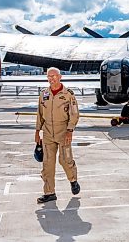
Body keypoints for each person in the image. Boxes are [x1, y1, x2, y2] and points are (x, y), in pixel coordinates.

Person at [35, 67, 80, 203]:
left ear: (60, 77)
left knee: (65, 159)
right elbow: (40, 114)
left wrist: (70, 130)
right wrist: (37, 131)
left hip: (63, 131)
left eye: (54, 76)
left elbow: (74, 114)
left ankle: (73, 180)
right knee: (47, 163)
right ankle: (49, 193)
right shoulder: (44, 94)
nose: (51, 78)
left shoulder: (68, 94)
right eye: (49, 76)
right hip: (48, 132)